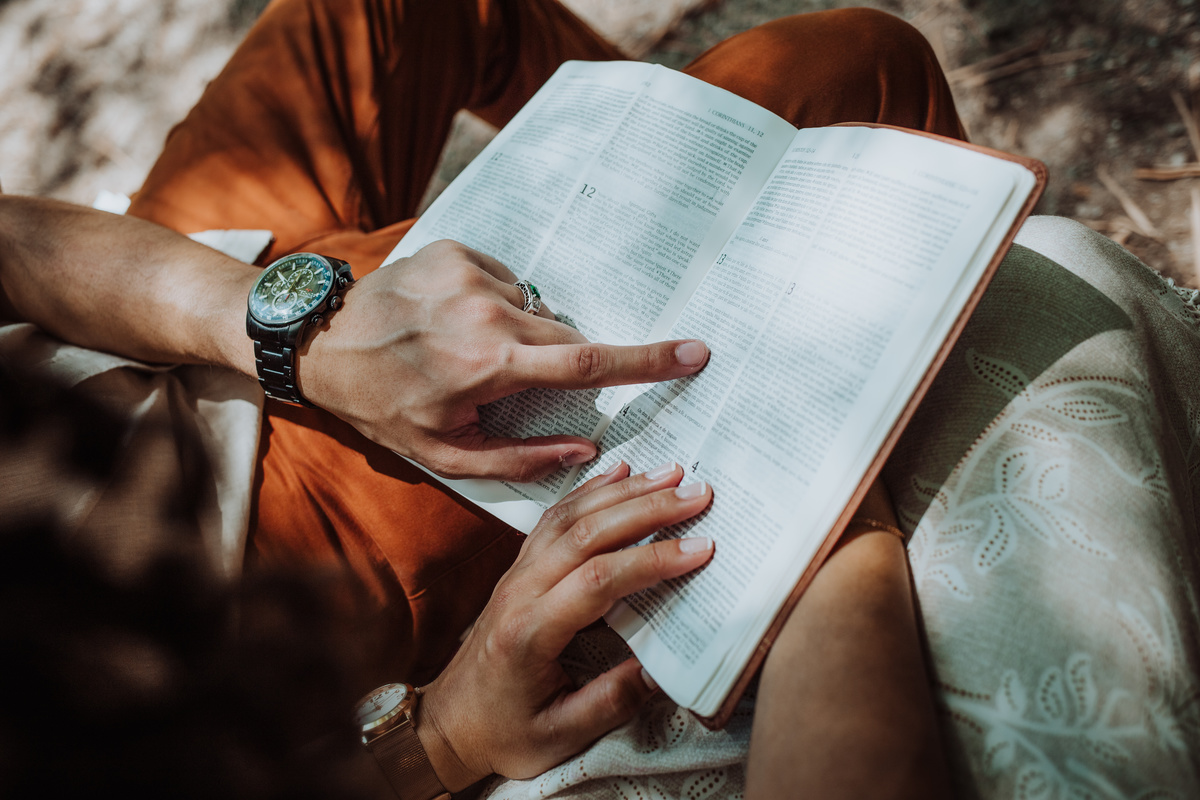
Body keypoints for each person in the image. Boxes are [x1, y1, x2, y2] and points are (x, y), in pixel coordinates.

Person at [5, 0, 1198, 798]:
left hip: (131, 319)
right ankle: (732, 219)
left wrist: (281, 326)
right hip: (227, 577)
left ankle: (686, 166)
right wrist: (438, 739)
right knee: (851, 67)